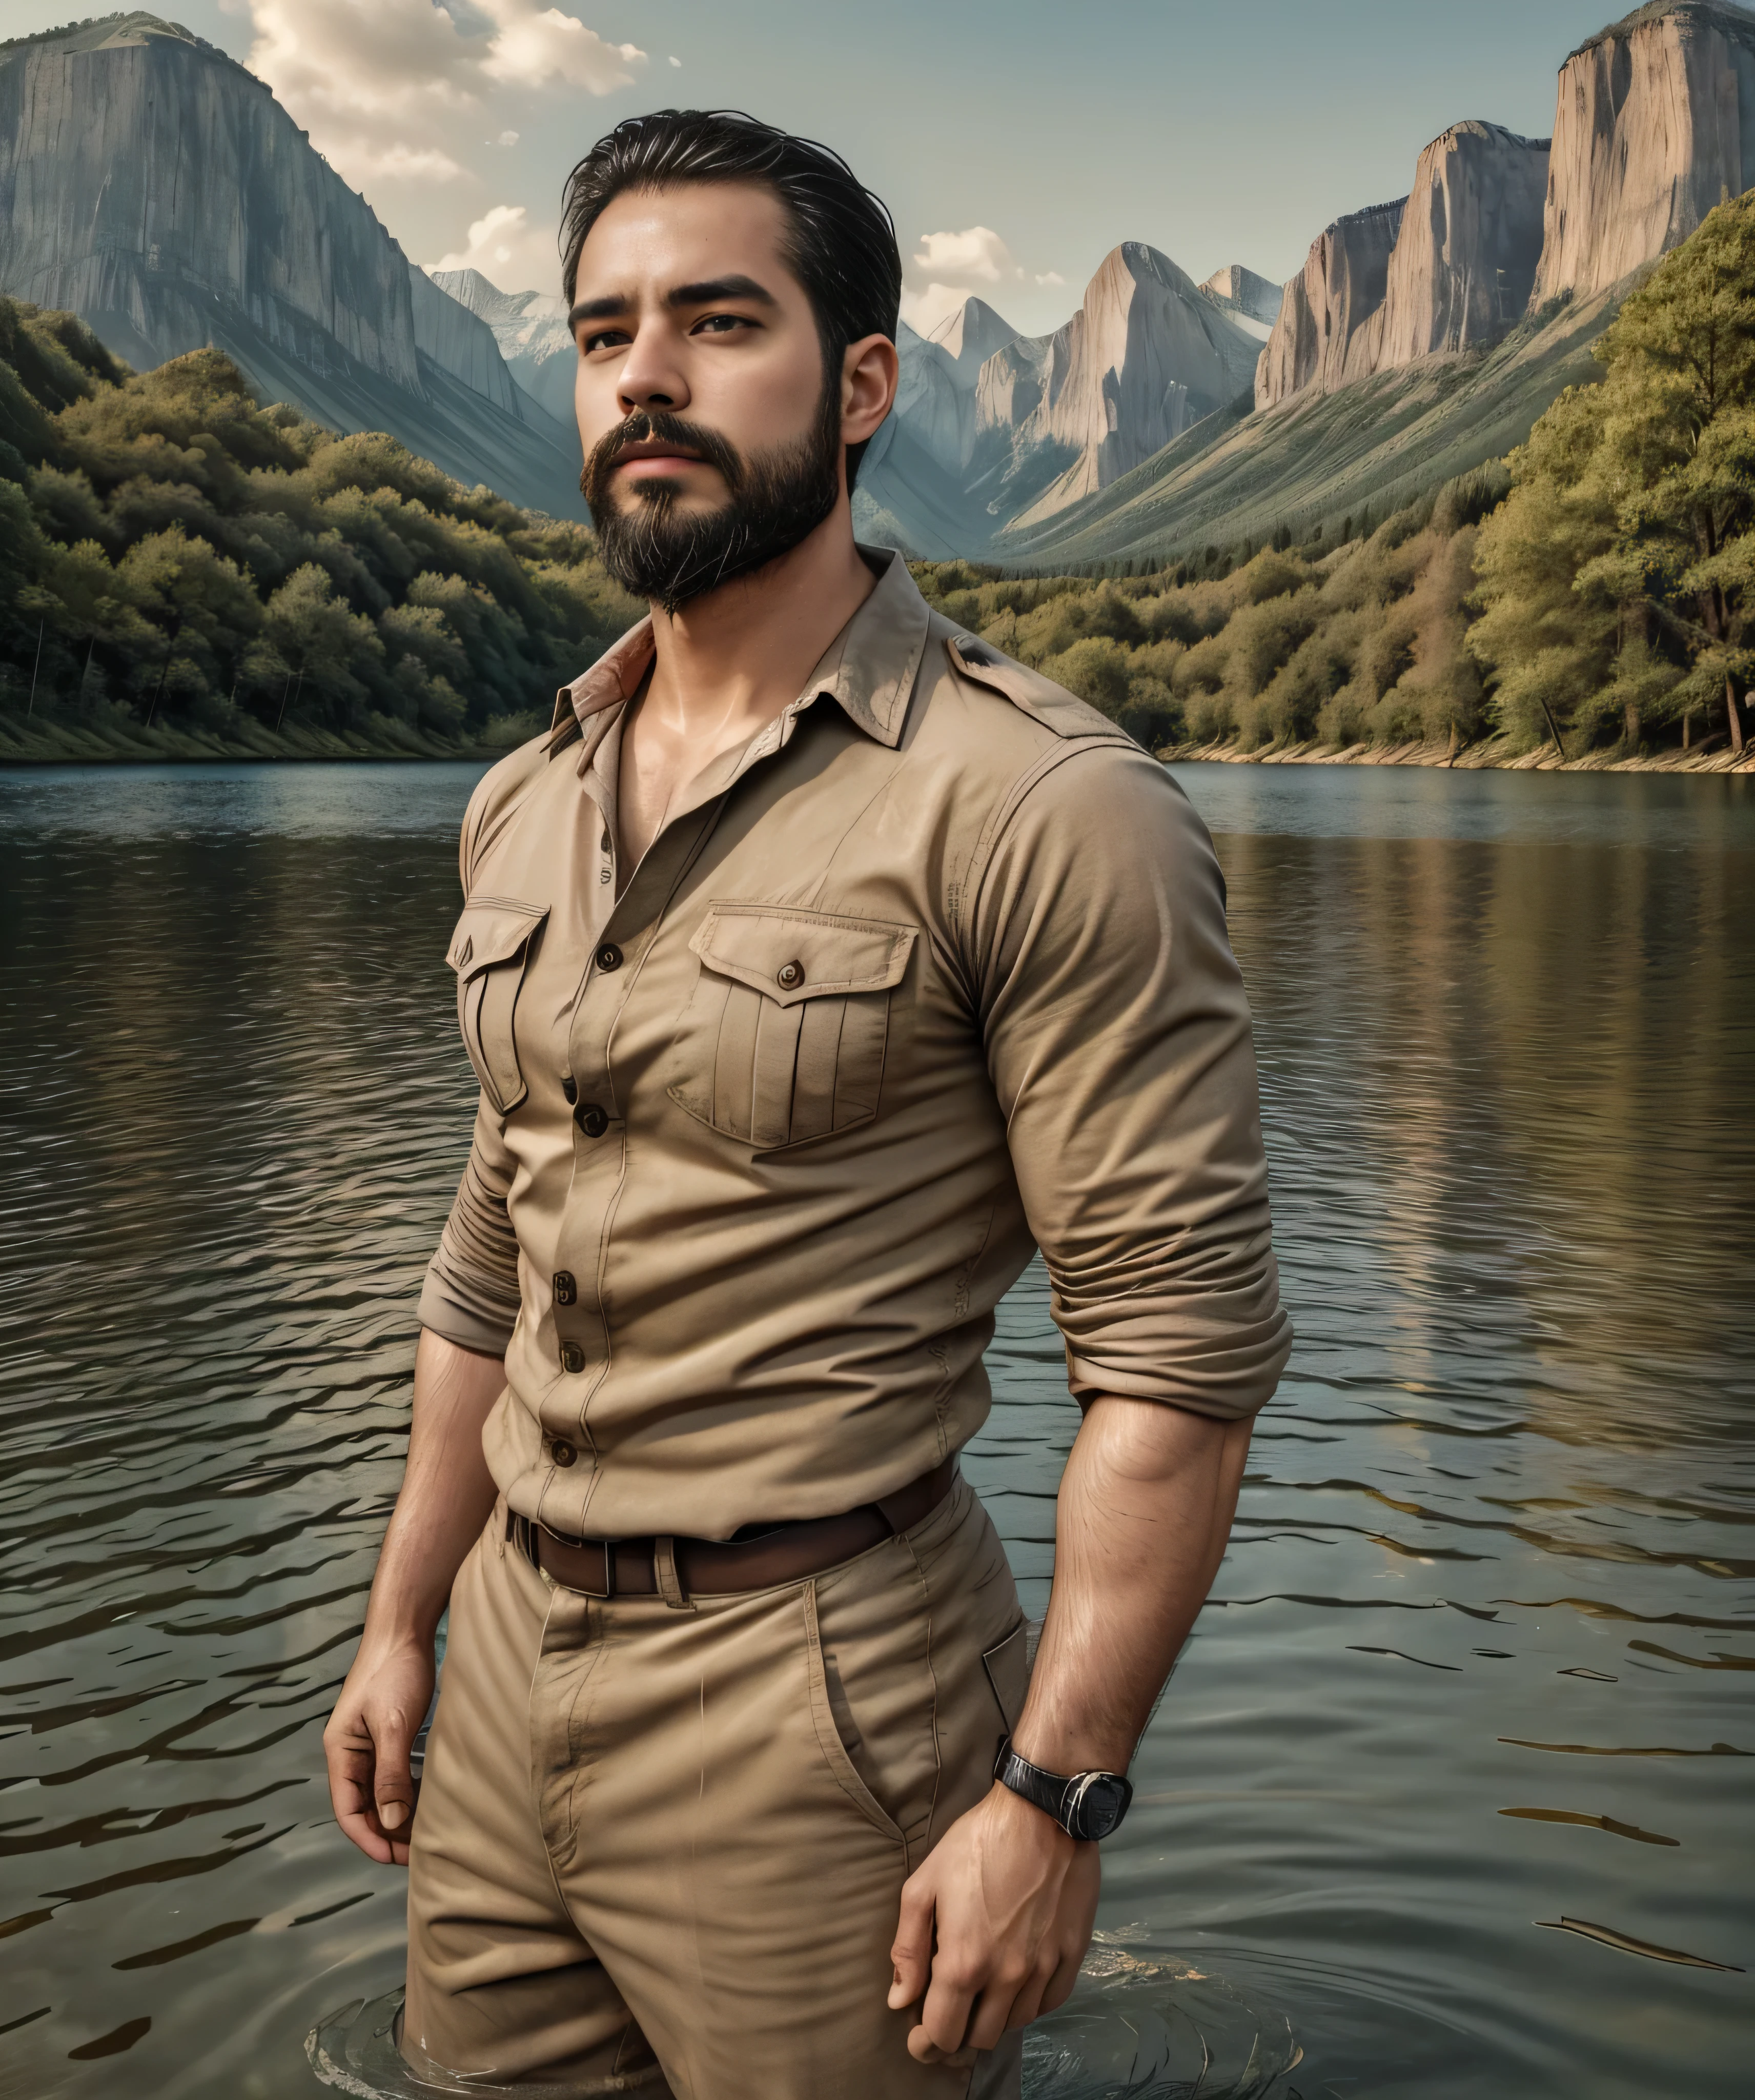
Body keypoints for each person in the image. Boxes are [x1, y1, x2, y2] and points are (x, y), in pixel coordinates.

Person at [322, 108, 1291, 2100]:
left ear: (861, 386)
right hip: (502, 1679)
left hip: (821, 1694)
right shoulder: (522, 803)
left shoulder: (1048, 808)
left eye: (716, 322)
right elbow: (487, 1251)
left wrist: (1055, 1796)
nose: (645, 378)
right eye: (601, 337)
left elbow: (1176, 1364)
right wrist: (403, 1619)